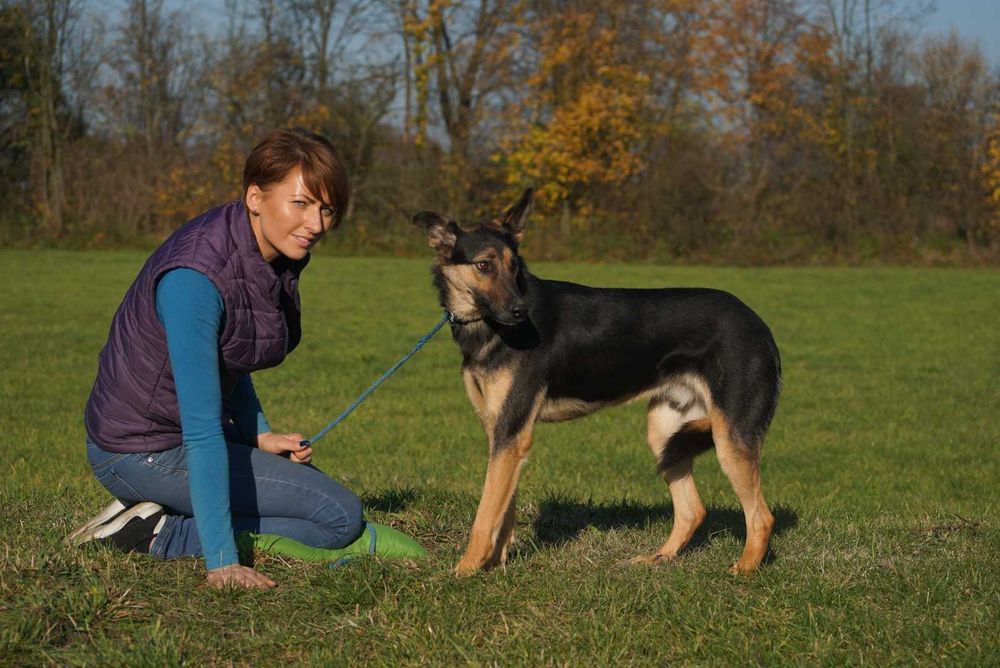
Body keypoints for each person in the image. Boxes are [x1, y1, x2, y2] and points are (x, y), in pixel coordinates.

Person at [71, 128, 423, 589]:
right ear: (255, 197)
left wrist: (259, 435)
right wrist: (222, 561)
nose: (316, 224)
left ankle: (162, 507)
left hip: (170, 433)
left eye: (326, 208)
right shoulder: (195, 279)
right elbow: (200, 430)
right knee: (338, 518)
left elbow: (231, 357)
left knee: (316, 493)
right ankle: (160, 533)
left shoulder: (259, 250)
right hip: (141, 450)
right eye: (301, 203)